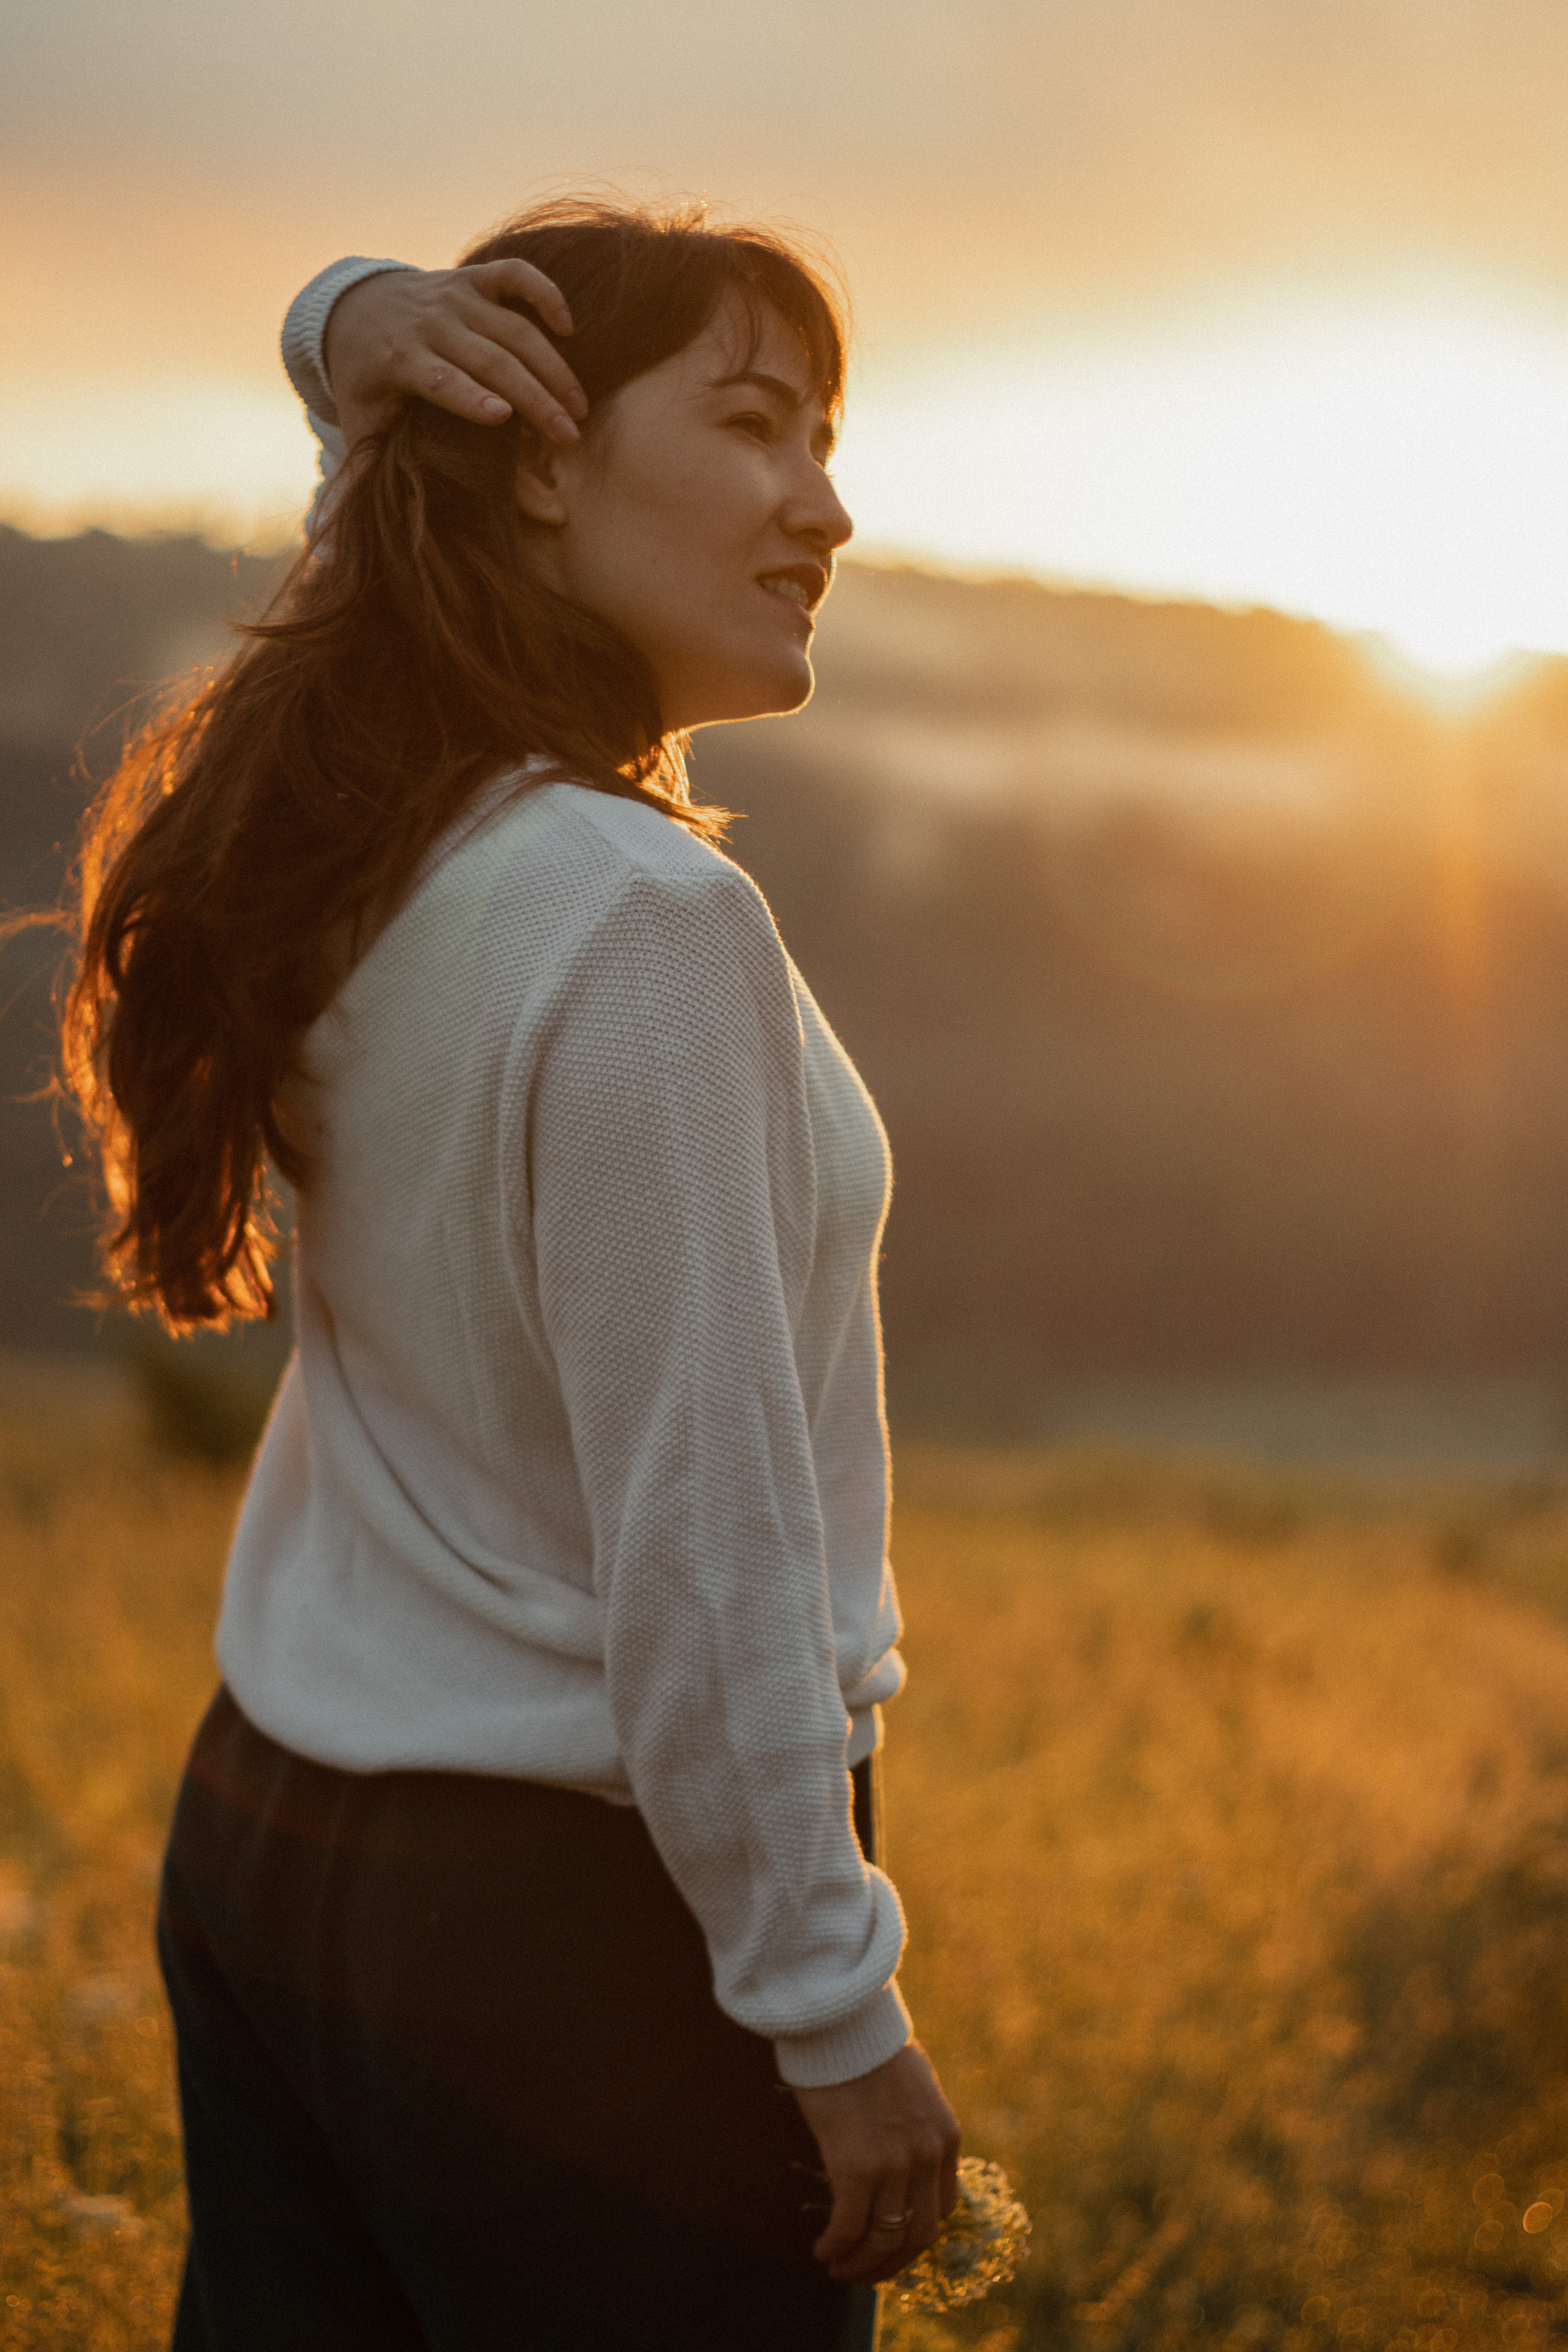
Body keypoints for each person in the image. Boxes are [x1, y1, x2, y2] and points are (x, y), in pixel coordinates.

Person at [62, 197, 960, 2351]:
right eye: (752, 424)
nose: (823, 508)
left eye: (827, 442)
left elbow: (369, 552)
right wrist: (833, 2014)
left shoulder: (377, 834)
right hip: (578, 1935)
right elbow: (707, 1546)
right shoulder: (641, 917)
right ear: (536, 456)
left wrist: (337, 327)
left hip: (277, 1852)